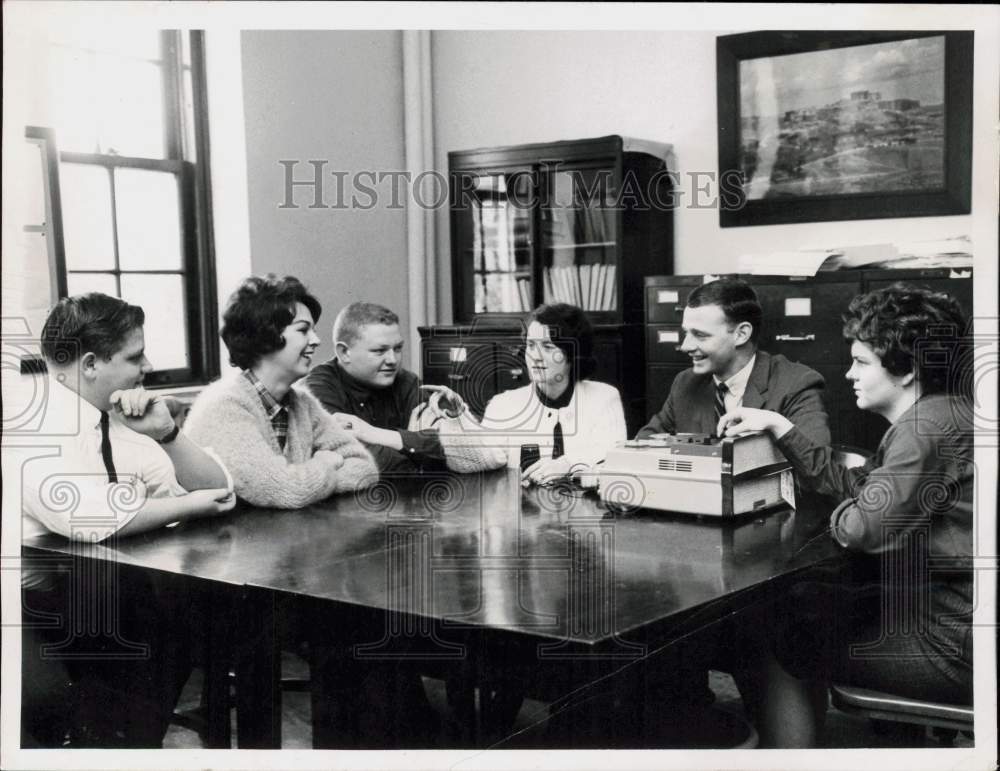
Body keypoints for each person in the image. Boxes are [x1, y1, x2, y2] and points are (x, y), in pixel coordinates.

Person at [717, 284, 974, 747]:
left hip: (953, 645)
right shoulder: (946, 413)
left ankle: (791, 756)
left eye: (861, 361)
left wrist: (852, 509)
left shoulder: (923, 430)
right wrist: (781, 427)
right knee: (802, 599)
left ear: (907, 370)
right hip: (954, 617)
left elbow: (862, 528)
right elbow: (857, 487)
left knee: (764, 627)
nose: (849, 373)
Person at [19, 292, 236, 747]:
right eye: (135, 356)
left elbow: (218, 487)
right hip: (28, 608)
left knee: (181, 634)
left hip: (97, 597)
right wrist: (188, 507)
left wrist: (168, 434)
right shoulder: (34, 420)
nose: (147, 365)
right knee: (60, 703)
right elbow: (85, 517)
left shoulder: (114, 418)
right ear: (92, 363)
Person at [185, 275, 378, 507]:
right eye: (303, 330)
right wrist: (326, 463)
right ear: (265, 336)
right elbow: (287, 490)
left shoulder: (302, 403)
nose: (316, 340)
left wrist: (308, 481)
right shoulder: (224, 405)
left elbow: (364, 467)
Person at [431, 302, 627, 485]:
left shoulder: (604, 398)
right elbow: (476, 461)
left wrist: (567, 464)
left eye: (548, 347)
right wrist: (457, 418)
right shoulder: (504, 405)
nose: (535, 356)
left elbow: (615, 454)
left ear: (572, 354)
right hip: (526, 516)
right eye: (531, 345)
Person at [637, 278, 830, 446]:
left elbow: (814, 468)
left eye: (700, 335)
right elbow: (645, 444)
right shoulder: (686, 383)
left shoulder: (796, 384)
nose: (686, 346)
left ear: (741, 334)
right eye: (686, 333)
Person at [305, 301, 445, 473]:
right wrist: (415, 447)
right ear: (344, 352)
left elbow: (456, 444)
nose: (393, 360)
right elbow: (357, 458)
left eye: (398, 348)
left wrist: (381, 436)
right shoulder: (317, 388)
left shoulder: (406, 382)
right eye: (379, 351)